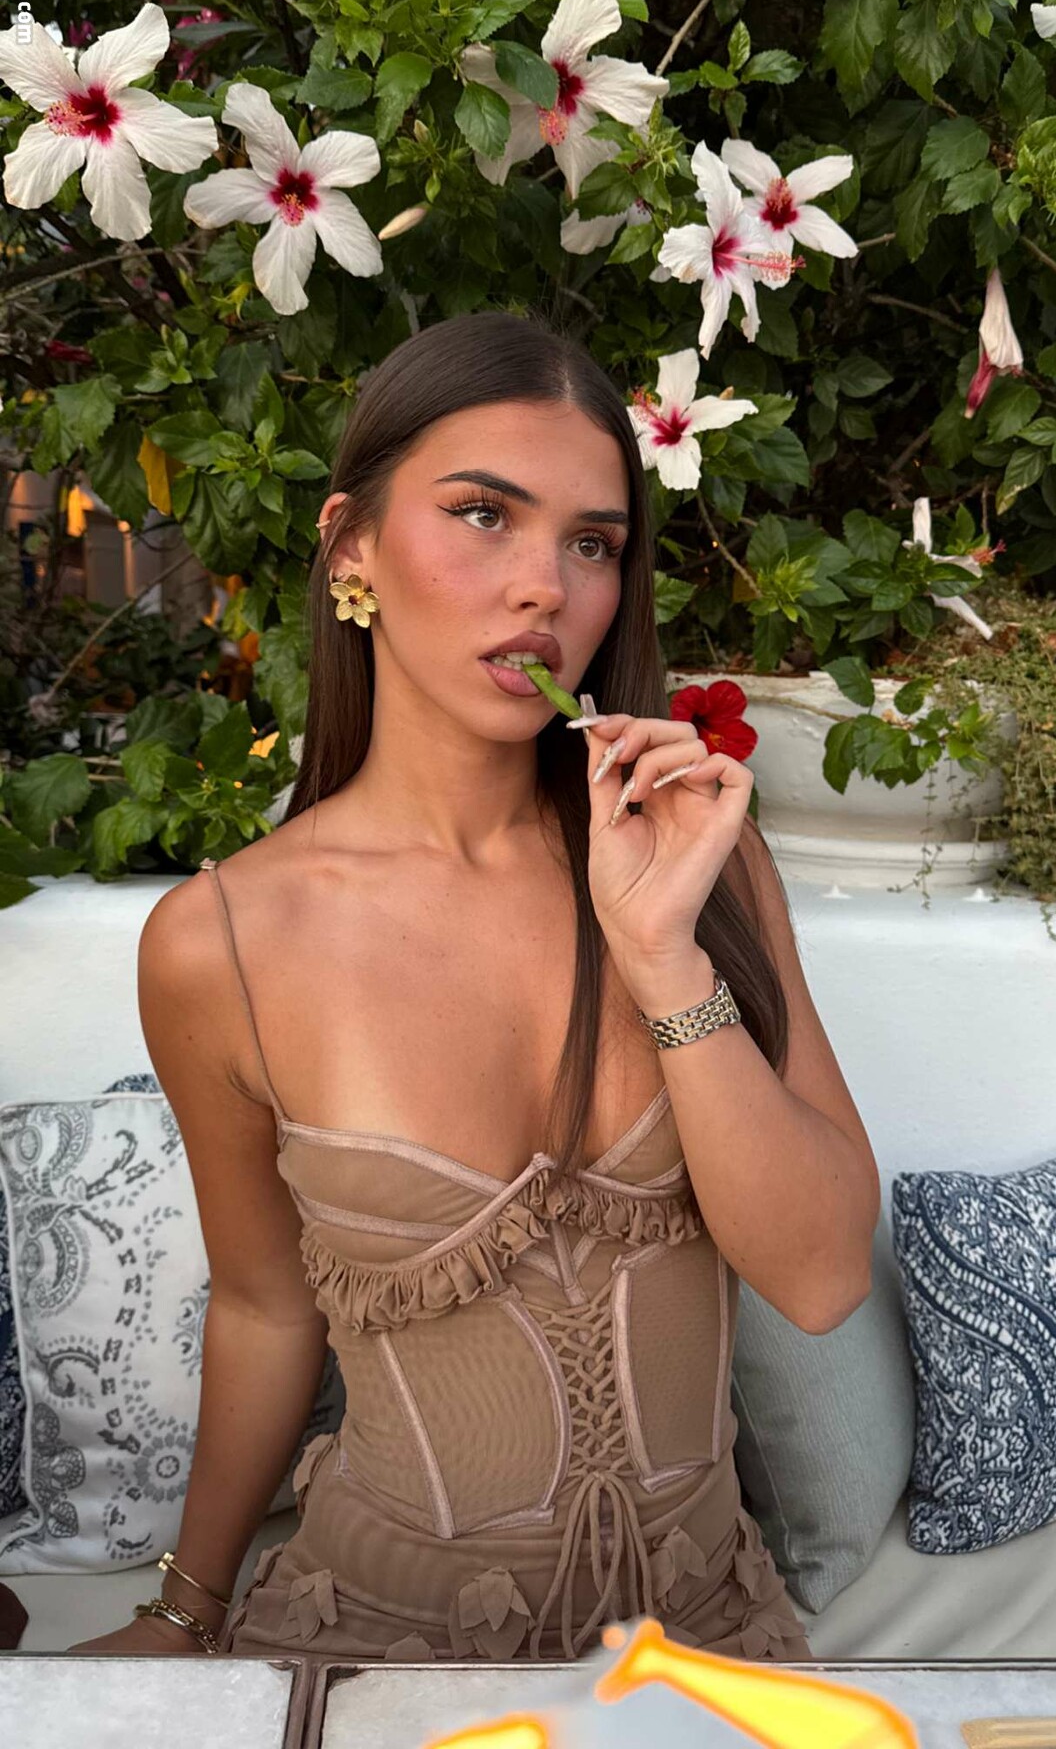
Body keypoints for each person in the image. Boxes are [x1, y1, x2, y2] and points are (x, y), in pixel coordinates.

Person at [68, 310, 879, 1664]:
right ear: (351, 548)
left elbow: (821, 1277)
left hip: (702, 1661)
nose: (544, 587)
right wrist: (182, 1610)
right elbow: (266, 1306)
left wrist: (662, 954)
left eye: (592, 543)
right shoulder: (222, 943)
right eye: (483, 515)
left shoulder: (702, 868)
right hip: (376, 1647)